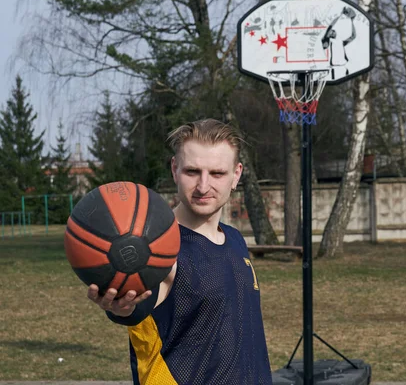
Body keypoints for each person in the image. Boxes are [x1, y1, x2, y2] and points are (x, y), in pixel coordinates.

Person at [86, 119, 273, 385]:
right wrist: (122, 307)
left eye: (217, 173)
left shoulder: (234, 239)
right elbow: (134, 304)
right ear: (175, 169)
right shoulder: (153, 249)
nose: (203, 186)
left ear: (236, 175)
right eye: (192, 171)